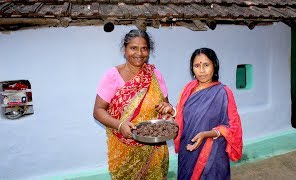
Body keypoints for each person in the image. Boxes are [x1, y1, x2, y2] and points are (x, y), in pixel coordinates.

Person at [93, 29, 173, 180]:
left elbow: (166, 107)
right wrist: (120, 125)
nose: (139, 53)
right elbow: (98, 110)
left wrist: (169, 113)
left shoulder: (155, 75)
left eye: (144, 48)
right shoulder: (112, 76)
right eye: (133, 48)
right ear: (125, 50)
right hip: (124, 150)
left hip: (155, 148)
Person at [158, 47, 243, 180]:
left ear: (214, 66)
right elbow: (184, 115)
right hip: (188, 149)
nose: (202, 70)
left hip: (212, 153)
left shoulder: (223, 93)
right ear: (192, 69)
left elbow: (233, 128)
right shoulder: (189, 88)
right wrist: (172, 112)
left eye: (206, 65)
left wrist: (206, 134)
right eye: (197, 66)